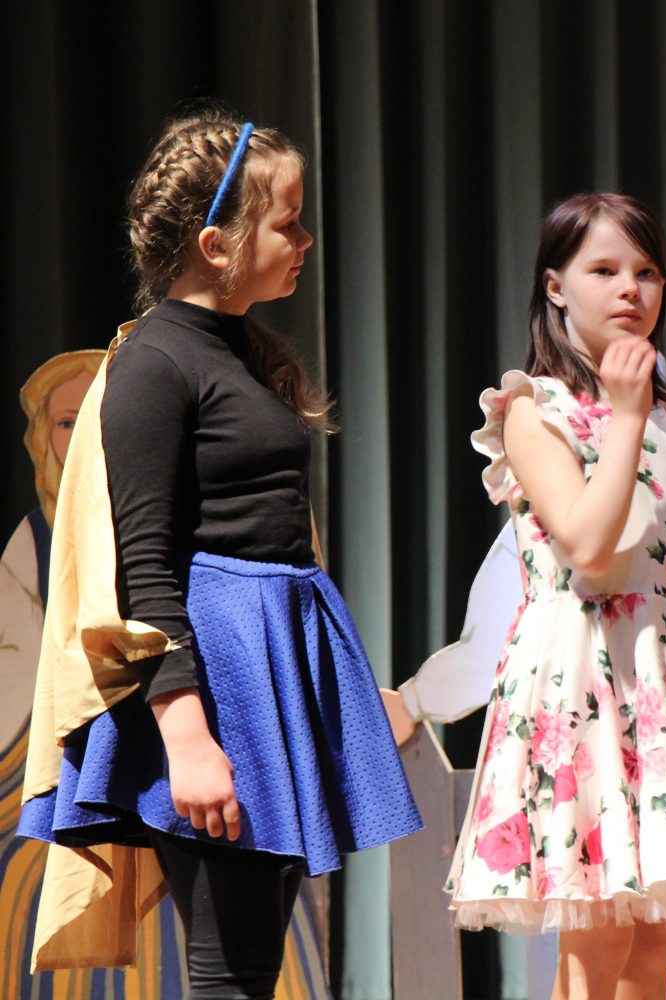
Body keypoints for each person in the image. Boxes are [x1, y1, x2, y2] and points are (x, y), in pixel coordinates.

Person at [19, 111, 420, 999]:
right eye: (287, 222)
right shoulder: (155, 366)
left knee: (250, 958)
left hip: (268, 662)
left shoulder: (238, 351)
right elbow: (144, 565)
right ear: (216, 244)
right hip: (215, 678)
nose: (304, 241)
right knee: (231, 968)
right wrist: (187, 736)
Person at [448, 192, 666, 999]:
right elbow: (590, 550)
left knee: (654, 942)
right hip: (584, 678)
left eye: (647, 271)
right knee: (596, 940)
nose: (631, 288)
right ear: (556, 286)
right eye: (604, 269)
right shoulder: (533, 409)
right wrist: (625, 417)